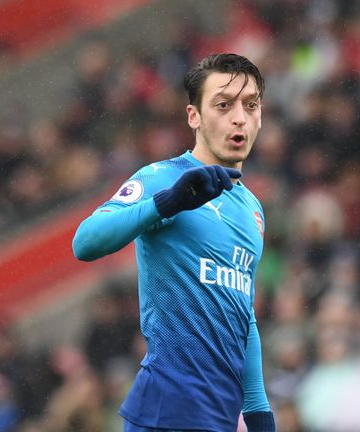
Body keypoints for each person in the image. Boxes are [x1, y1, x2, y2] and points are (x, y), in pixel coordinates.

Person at [73, 53, 275, 432]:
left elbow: (242, 315)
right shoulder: (162, 178)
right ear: (193, 116)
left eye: (251, 105)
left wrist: (260, 414)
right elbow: (84, 243)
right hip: (167, 409)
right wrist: (167, 204)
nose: (239, 117)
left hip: (219, 416)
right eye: (223, 105)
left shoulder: (253, 210)